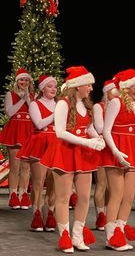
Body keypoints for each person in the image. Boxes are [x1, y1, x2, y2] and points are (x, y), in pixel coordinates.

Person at [40, 66, 106, 253]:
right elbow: (60, 133)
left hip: (83, 153)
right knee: (63, 197)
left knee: (84, 197)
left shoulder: (86, 105)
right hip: (64, 152)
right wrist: (88, 143)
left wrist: (97, 138)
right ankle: (65, 237)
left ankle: (77, 236)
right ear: (78, 86)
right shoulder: (63, 104)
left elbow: (89, 128)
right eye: (88, 85)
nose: (91, 89)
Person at [101, 68, 135, 251]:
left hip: (132, 148)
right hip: (116, 148)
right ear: (127, 86)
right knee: (116, 194)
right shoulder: (116, 102)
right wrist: (116, 152)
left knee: (129, 196)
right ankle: (110, 236)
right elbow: (106, 130)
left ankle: (120, 231)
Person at [16, 75, 58, 232]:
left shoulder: (60, 104)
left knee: (53, 182)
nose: (53, 89)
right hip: (40, 142)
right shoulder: (35, 104)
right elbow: (39, 124)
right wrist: (57, 114)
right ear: (42, 88)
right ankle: (37, 214)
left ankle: (50, 212)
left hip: (56, 143)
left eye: (55, 86)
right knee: (39, 183)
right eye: (49, 86)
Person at [0, 68, 34, 209]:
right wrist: (23, 100)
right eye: (21, 79)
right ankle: (13, 195)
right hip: (15, 130)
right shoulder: (10, 94)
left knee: (26, 167)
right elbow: (10, 112)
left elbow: (34, 112)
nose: (24, 82)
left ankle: (23, 194)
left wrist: (29, 99)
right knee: (15, 166)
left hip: (28, 130)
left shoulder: (33, 95)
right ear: (17, 81)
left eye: (26, 80)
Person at [92, 79, 119, 230]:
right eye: (114, 90)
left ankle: (110, 215)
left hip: (115, 146)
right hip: (103, 147)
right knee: (102, 184)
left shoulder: (119, 105)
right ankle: (100, 216)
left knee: (112, 187)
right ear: (107, 92)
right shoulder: (98, 107)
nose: (117, 93)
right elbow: (101, 127)